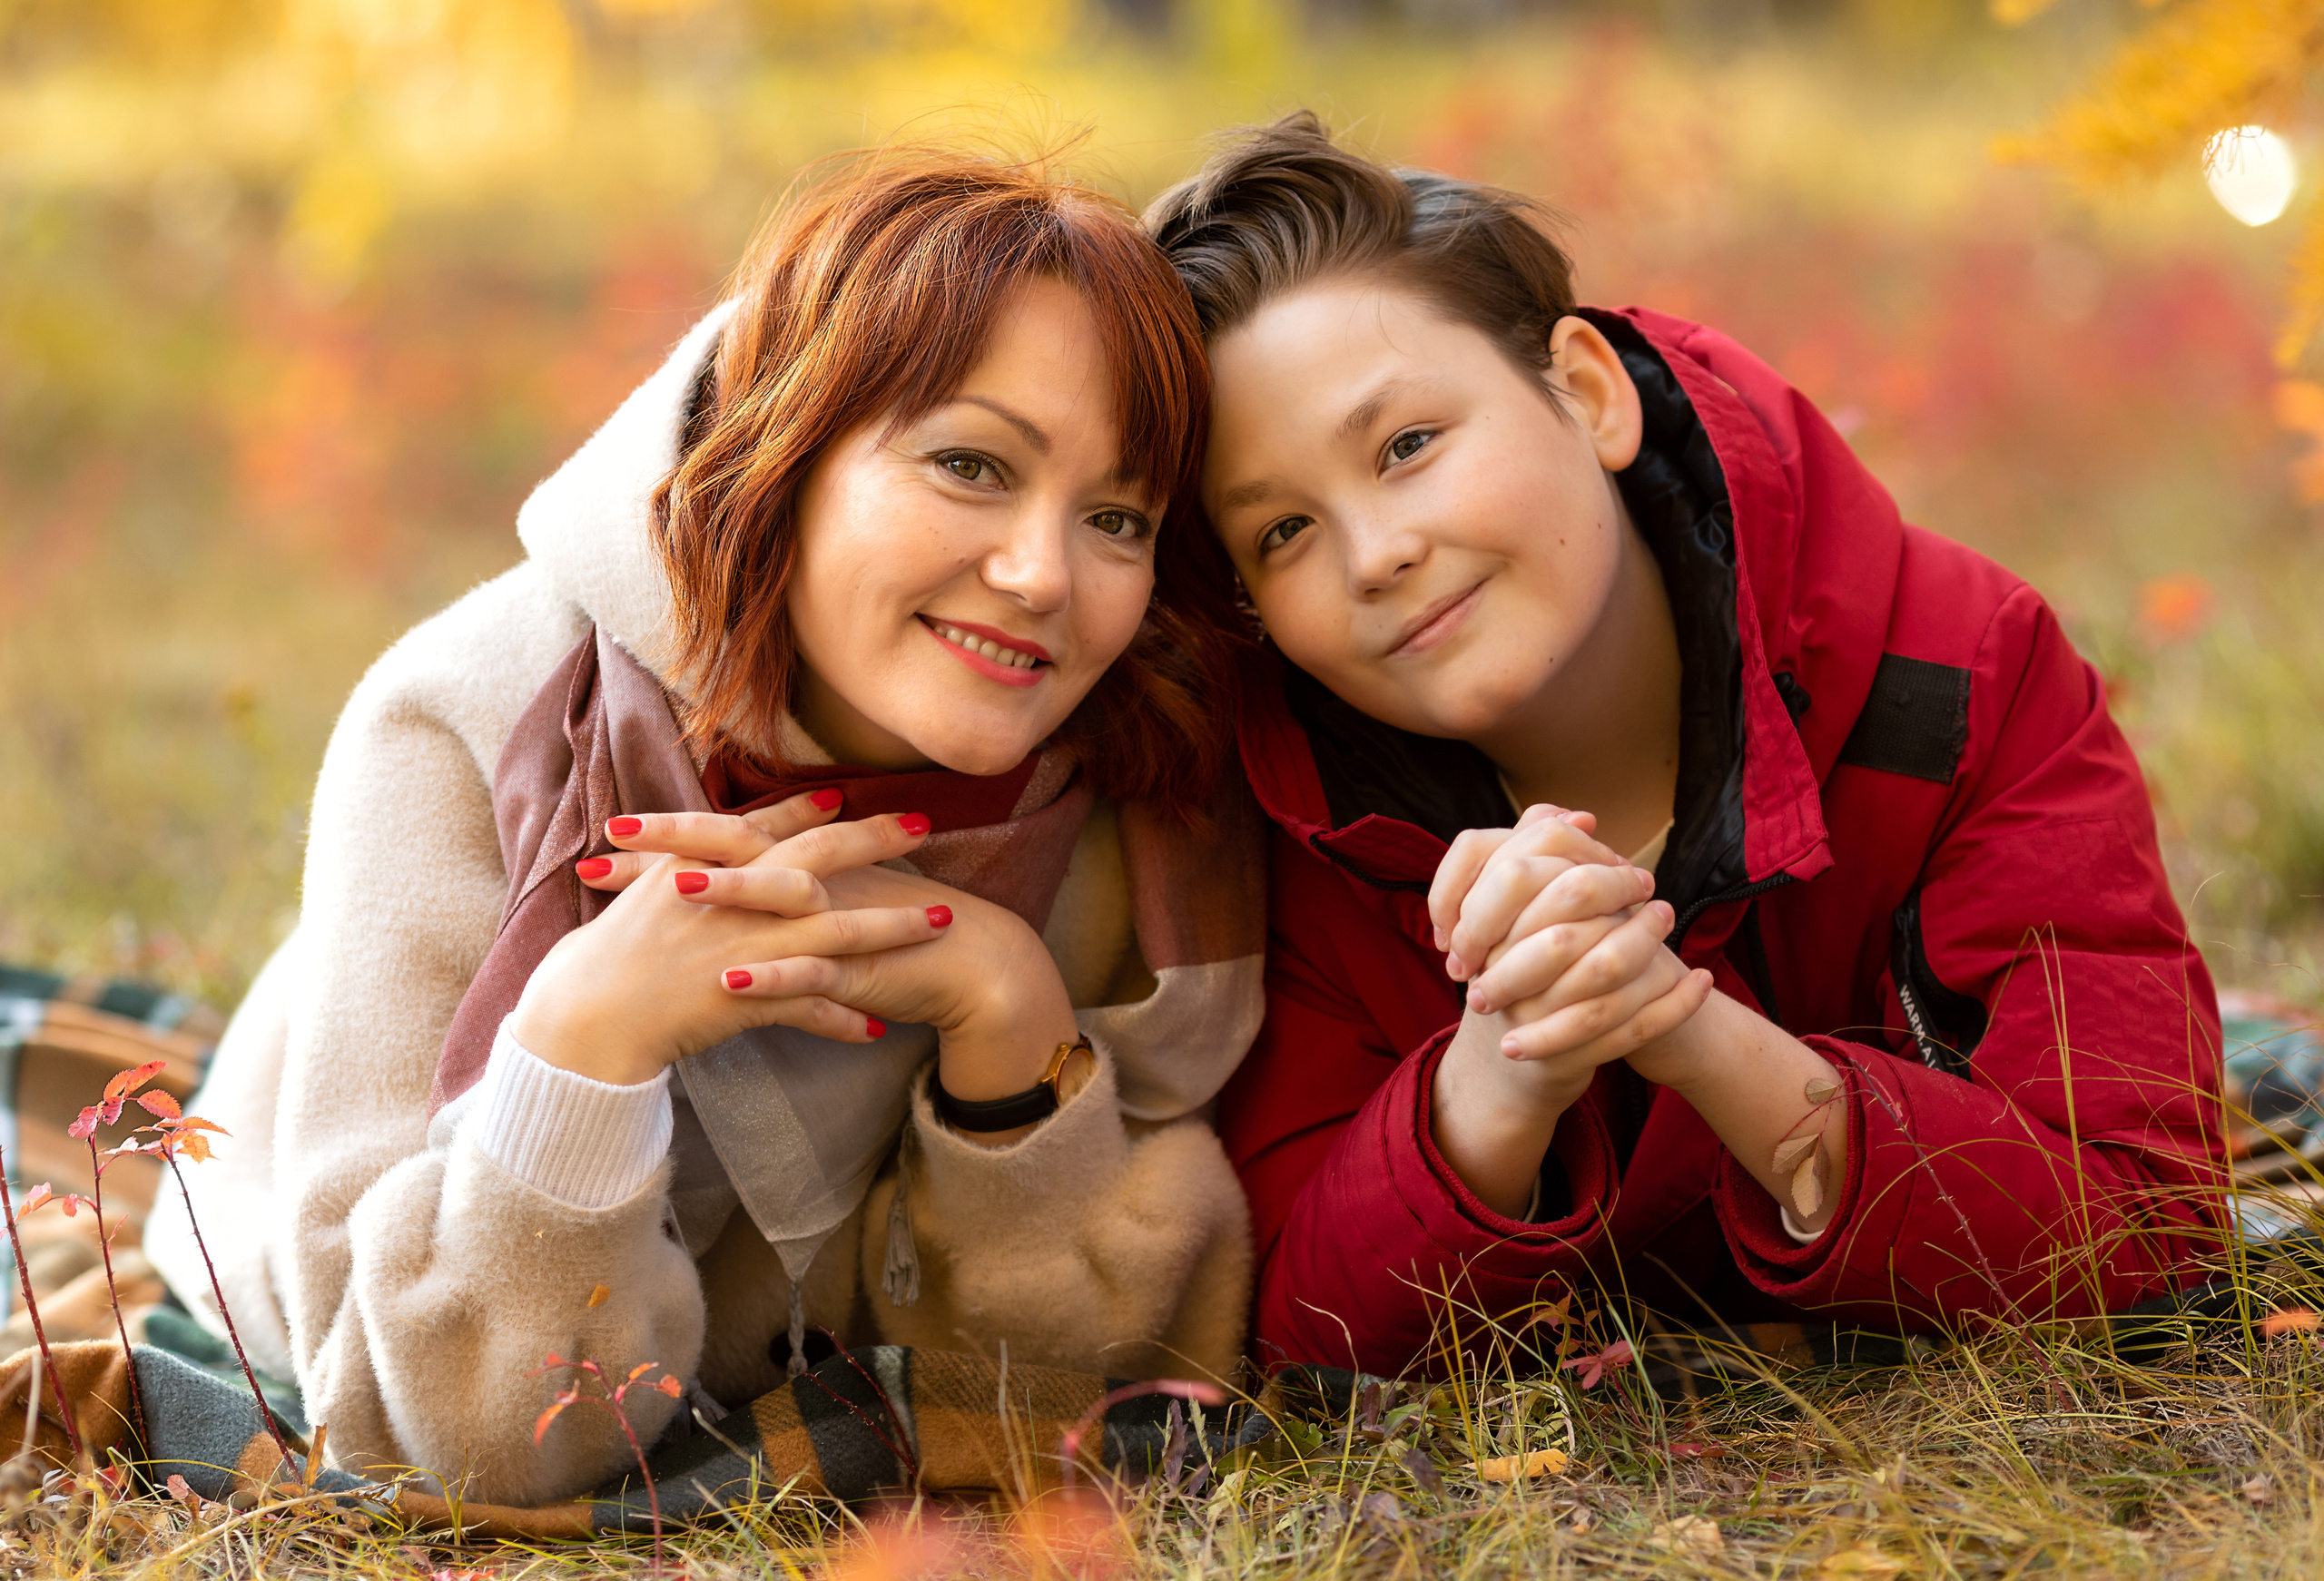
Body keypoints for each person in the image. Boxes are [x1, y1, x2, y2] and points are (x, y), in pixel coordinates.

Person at [143, 147, 1265, 1505]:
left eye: (1115, 516)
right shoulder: (465, 720)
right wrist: (583, 1042)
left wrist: (1016, 1031)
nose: (1043, 575)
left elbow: (1093, 1394)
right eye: (971, 463)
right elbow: (443, 1437)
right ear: (783, 452)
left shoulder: (1125, 802)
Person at [1142, 113, 2227, 1375]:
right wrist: (1496, 1075)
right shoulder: (1300, 818)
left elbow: (2152, 1226)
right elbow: (1296, 1333)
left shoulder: (1961, 672)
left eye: (1407, 446)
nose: (1374, 553)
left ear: (1588, 393)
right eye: (1281, 532)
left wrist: (1700, 1038)